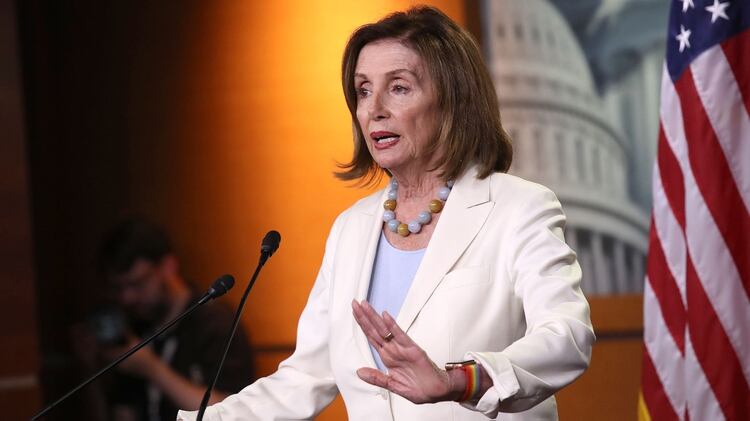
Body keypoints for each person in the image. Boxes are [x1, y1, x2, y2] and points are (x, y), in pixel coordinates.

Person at [178, 6, 594, 420]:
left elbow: (567, 337)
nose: (373, 108)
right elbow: (305, 377)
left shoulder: (518, 208)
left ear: (453, 100)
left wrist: (461, 380)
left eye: (398, 87)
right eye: (362, 90)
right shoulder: (351, 229)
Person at [80, 217, 255, 421]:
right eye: (118, 289)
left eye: (137, 283)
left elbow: (230, 413)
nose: (128, 298)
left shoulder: (213, 322)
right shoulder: (134, 326)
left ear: (168, 266)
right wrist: (90, 370)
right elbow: (122, 414)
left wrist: (151, 368)